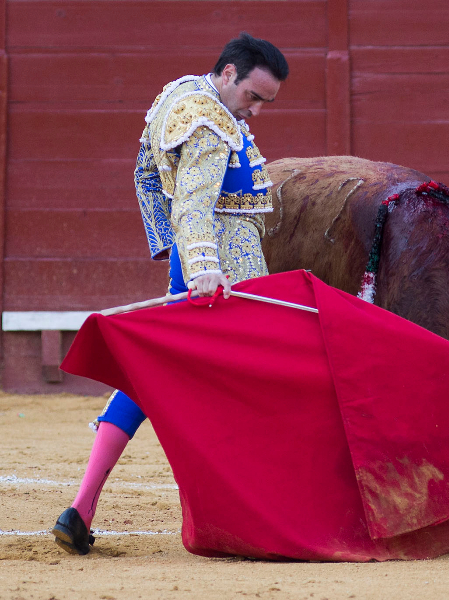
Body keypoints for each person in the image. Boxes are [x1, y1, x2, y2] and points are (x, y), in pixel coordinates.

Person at [51, 33, 289, 555]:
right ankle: (250, 512)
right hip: (224, 275)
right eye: (253, 97)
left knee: (150, 375)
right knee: (250, 383)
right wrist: (202, 266)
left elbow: (145, 172)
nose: (255, 111)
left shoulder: (180, 93)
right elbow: (194, 202)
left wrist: (172, 247)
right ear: (229, 73)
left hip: (202, 265)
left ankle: (82, 507)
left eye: (265, 103)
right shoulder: (208, 121)